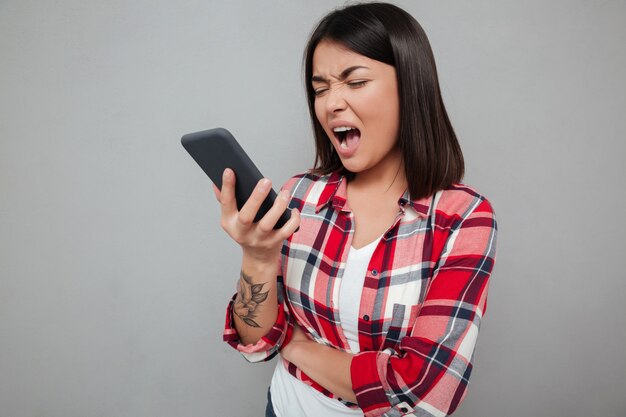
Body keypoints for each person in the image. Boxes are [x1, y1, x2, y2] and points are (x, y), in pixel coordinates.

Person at [214, 3, 497, 416]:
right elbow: (255, 343)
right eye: (321, 88)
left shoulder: (464, 217)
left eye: (355, 81)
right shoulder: (301, 195)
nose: (331, 104)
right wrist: (257, 257)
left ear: (411, 87)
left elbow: (422, 386)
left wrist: (290, 341)